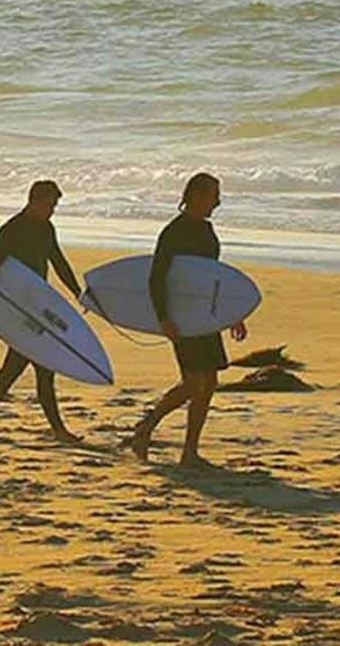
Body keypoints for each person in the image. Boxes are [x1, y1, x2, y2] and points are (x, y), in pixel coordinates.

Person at [127, 172, 247, 468]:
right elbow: (156, 278)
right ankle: (146, 426)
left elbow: (212, 279)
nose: (218, 202)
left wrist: (232, 314)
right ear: (195, 195)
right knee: (194, 383)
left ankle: (189, 451)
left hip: (204, 318)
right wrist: (164, 318)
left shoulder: (207, 231)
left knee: (209, 383)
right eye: (213, 195)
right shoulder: (174, 231)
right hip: (182, 318)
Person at [0, 180, 85, 444]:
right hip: (17, 308)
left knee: (16, 367)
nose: (53, 210)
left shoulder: (46, 228)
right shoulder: (12, 230)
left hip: (36, 306)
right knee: (43, 365)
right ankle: (58, 430)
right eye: (50, 204)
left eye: (55, 205)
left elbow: (58, 262)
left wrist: (78, 292)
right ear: (34, 200)